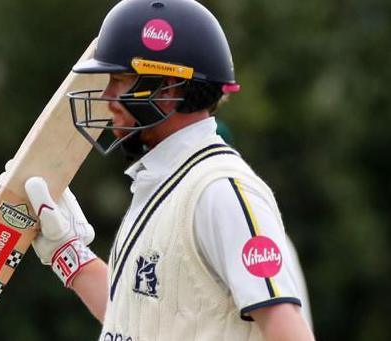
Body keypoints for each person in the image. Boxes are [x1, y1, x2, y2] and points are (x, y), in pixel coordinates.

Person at [23, 0, 315, 340]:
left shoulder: (220, 190)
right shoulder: (165, 184)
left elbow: (288, 330)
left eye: (121, 80)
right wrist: (68, 253)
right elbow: (138, 324)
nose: (107, 96)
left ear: (169, 88)